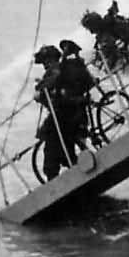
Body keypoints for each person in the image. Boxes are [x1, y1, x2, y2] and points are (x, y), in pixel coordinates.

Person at [32, 43, 90, 180]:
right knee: (67, 147)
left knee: (51, 146)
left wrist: (40, 91)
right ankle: (77, 168)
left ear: (49, 59)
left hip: (63, 114)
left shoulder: (55, 70)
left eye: (45, 61)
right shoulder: (69, 68)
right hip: (78, 111)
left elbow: (48, 86)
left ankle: (53, 179)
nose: (44, 65)